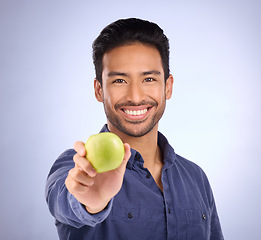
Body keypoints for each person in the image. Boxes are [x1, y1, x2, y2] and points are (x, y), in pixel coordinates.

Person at [45, 18, 224, 240]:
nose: (135, 97)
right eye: (120, 81)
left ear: (167, 87)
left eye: (148, 79)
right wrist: (91, 203)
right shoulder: (76, 166)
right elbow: (65, 199)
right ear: (99, 90)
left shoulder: (196, 178)